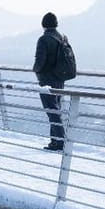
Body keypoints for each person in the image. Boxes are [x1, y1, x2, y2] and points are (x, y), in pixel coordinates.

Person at [32, 11, 78, 151]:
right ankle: (56, 141)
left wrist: (36, 70)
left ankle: (59, 142)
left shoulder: (44, 39)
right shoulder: (61, 37)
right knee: (56, 110)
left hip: (47, 80)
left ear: (43, 25)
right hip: (59, 79)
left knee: (52, 111)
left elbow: (40, 61)